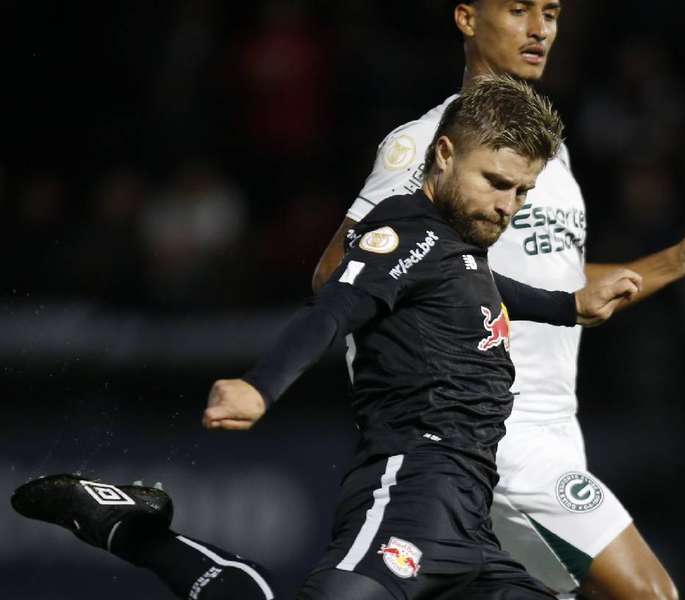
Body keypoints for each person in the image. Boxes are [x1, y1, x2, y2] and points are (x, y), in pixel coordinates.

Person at [13, 75, 644, 600]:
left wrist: (569, 305)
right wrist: (260, 389)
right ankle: (140, 534)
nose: (508, 205)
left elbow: (482, 286)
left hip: (472, 523)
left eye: (522, 191)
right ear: (445, 154)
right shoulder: (405, 233)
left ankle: (138, 532)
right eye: (495, 182)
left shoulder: (457, 249)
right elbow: (334, 307)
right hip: (412, 490)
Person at [310, 2, 685, 599]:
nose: (539, 29)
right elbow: (340, 270)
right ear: (467, 18)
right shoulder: (430, 142)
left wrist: (675, 261)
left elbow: (561, 283)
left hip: (554, 425)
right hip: (492, 423)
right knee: (651, 593)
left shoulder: (547, 150)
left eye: (551, 12)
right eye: (518, 10)